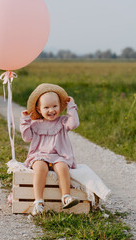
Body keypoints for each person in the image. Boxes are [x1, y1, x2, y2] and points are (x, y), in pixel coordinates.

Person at [20, 83, 80, 215]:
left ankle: (66, 197)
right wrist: (25, 121)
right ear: (39, 109)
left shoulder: (63, 121)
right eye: (46, 107)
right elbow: (26, 137)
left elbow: (74, 123)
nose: (51, 110)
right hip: (39, 155)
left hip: (59, 156)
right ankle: (39, 201)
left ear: (60, 106)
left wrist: (71, 107)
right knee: (40, 168)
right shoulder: (35, 124)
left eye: (55, 106)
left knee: (63, 167)